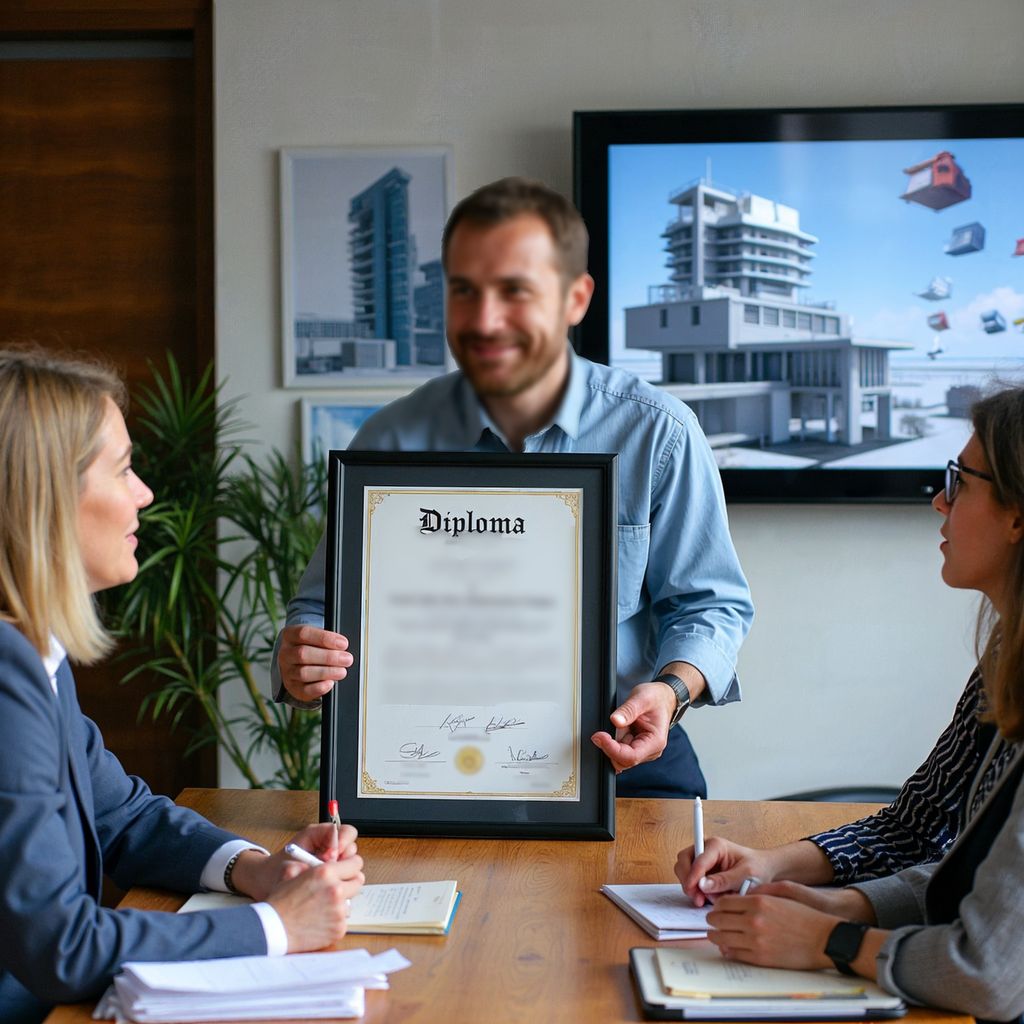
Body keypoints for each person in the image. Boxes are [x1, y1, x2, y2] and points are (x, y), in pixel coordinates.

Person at [272, 177, 754, 798]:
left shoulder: (658, 432)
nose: (484, 320)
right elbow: (321, 608)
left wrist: (671, 690)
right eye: (463, 290)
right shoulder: (388, 439)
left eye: (515, 291)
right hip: (423, 767)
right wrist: (301, 662)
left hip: (625, 756)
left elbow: (710, 605)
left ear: (575, 298)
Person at [0, 348, 366, 1024]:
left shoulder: (29, 649)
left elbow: (125, 817)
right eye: (123, 469)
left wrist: (255, 869)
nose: (144, 494)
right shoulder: (4, 671)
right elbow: (62, 945)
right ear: (45, 497)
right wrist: (277, 926)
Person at [675, 385, 1024, 1021]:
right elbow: (921, 829)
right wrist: (807, 884)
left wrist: (830, 941)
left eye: (960, 482)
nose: (939, 500)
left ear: (1017, 517)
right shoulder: (1009, 655)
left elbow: (989, 975)